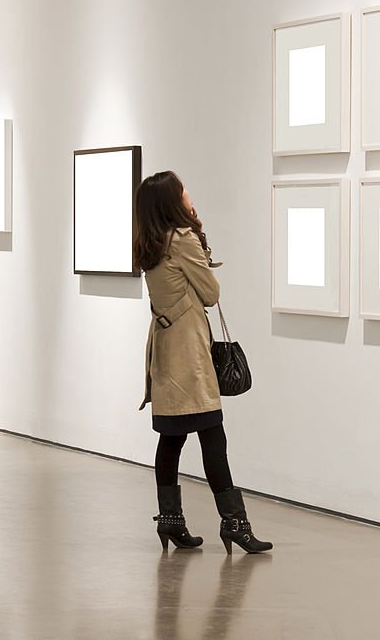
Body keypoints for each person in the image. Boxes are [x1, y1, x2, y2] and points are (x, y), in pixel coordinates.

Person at [134, 170, 272, 555]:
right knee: (213, 436)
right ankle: (235, 524)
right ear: (172, 202)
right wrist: (198, 234)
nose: (189, 194)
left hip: (165, 349)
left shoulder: (150, 242)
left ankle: (171, 520)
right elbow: (210, 294)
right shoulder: (182, 239)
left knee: (172, 437)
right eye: (184, 191)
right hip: (190, 354)